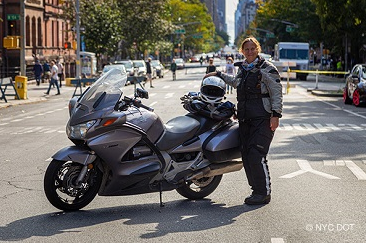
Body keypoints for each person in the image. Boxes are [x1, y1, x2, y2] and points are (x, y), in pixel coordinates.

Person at [204, 36, 283, 205]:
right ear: (242, 51)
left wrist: (276, 115)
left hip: (263, 117)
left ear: (258, 49)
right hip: (245, 118)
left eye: (252, 48)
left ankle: (264, 193)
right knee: (246, 155)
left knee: (257, 154)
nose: (249, 51)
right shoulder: (244, 69)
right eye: (246, 49)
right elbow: (235, 82)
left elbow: (276, 92)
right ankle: (256, 191)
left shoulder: (267, 68)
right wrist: (218, 74)